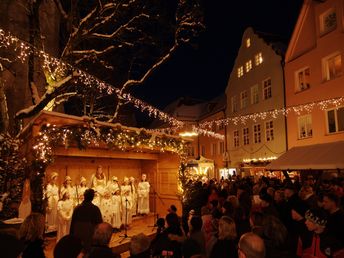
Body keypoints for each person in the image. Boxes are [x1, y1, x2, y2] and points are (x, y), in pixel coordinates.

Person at [70, 188, 103, 252]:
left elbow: (72, 225)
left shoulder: (77, 208)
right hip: (90, 239)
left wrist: (72, 238)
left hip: (78, 238)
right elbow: (99, 225)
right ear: (92, 197)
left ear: (84, 196)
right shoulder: (95, 209)